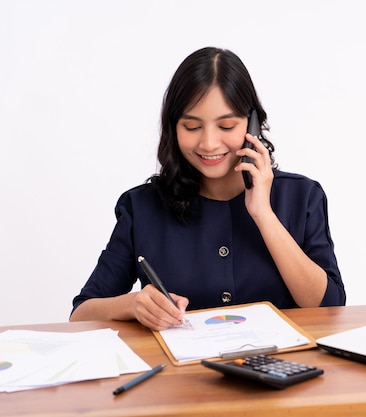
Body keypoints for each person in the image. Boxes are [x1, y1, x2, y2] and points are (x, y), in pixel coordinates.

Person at [70, 47, 345, 331]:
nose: (209, 144)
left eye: (226, 126)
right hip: (183, 374)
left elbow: (329, 308)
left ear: (252, 125)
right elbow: (80, 316)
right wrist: (133, 304)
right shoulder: (142, 208)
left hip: (282, 369)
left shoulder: (301, 196)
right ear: (173, 128)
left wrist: (263, 213)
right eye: (192, 127)